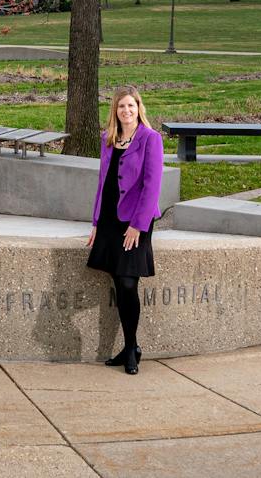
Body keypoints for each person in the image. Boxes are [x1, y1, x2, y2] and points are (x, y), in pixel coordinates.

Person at [87, 86, 164, 374]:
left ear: (138, 107)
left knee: (128, 282)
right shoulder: (108, 140)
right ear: (115, 111)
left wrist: (137, 226)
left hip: (135, 220)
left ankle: (131, 347)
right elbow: (102, 183)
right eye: (121, 106)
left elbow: (152, 185)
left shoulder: (150, 139)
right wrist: (95, 222)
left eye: (131, 106)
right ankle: (129, 347)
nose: (126, 111)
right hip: (109, 218)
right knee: (119, 283)